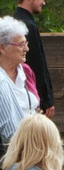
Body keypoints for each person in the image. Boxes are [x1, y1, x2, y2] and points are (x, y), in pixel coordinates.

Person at [12, 0, 54, 117]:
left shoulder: (13, 22)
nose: (43, 2)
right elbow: (37, 64)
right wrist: (46, 99)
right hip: (30, 95)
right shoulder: (28, 26)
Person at [0, 16, 41, 147]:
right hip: (9, 149)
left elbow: (36, 107)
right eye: (20, 44)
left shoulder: (26, 71)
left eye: (26, 43)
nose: (26, 49)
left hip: (34, 144)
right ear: (2, 48)